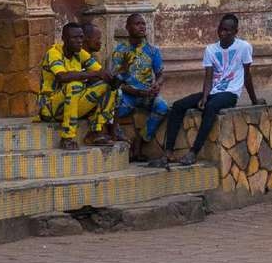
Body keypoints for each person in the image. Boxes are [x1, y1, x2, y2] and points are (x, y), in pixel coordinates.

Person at [150, 12, 262, 164]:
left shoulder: (244, 47)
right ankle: (168, 152)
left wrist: (254, 100)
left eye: (227, 30)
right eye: (221, 29)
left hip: (230, 93)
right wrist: (203, 96)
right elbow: (208, 76)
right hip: (213, 91)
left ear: (235, 32)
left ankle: (193, 152)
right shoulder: (210, 49)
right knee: (177, 106)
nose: (223, 33)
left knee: (211, 107)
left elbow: (247, 76)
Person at [38, 19, 114, 146]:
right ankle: (67, 137)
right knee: (74, 85)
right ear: (64, 39)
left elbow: (100, 72)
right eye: (74, 38)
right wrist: (93, 74)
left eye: (81, 37)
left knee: (110, 87)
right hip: (50, 109)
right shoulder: (54, 53)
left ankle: (95, 132)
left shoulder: (80, 53)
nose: (79, 41)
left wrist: (111, 77)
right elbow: (61, 77)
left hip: (73, 105)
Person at [102, 11, 167, 152]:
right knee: (113, 99)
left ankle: (142, 138)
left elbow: (161, 74)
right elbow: (114, 81)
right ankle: (116, 134)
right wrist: (136, 92)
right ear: (128, 28)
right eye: (137, 24)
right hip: (127, 97)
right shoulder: (120, 51)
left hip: (147, 96)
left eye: (143, 24)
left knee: (162, 107)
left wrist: (157, 84)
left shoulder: (152, 50)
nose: (142, 27)